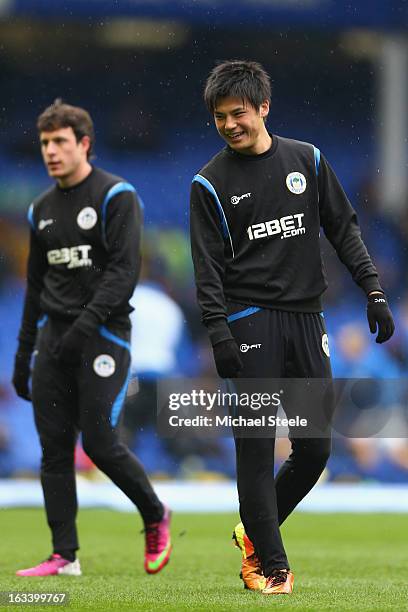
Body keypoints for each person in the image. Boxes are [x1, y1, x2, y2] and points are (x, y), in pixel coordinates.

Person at [189, 60, 395, 595]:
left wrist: (373, 292)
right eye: (219, 117)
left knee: (315, 449)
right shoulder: (208, 184)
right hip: (248, 322)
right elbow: (206, 270)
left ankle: (253, 530)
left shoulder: (307, 160)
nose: (230, 124)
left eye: (239, 113)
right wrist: (219, 334)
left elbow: (344, 229)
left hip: (308, 321)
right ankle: (270, 567)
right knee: (256, 447)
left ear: (263, 107)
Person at [12, 100, 171, 577]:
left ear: (84, 144)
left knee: (100, 443)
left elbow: (125, 273)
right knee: (54, 449)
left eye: (60, 141)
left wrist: (83, 327)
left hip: (103, 336)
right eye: (44, 143)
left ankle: (154, 514)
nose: (51, 152)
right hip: (53, 341)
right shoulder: (40, 210)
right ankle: (64, 555)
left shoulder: (115, 196)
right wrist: (23, 356)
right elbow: (36, 288)